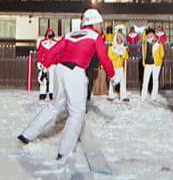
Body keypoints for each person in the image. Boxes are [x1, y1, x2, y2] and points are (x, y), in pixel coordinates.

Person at [18, 8, 115, 160]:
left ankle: (26, 135)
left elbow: (53, 51)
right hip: (75, 72)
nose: (102, 27)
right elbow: (104, 57)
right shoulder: (95, 36)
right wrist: (112, 74)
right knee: (77, 113)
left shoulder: (70, 34)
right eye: (100, 24)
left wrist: (45, 65)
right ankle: (64, 151)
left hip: (60, 70)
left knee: (55, 105)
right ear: (94, 23)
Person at [141, 30, 165, 101]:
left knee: (155, 80)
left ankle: (154, 97)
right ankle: (143, 96)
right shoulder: (144, 43)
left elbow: (162, 54)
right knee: (145, 80)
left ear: (154, 35)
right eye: (148, 35)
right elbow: (143, 53)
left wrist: (159, 59)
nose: (150, 36)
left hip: (156, 64)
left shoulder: (158, 43)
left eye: (151, 34)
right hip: (147, 63)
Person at [107, 25, 129, 102]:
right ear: (115, 39)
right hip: (113, 67)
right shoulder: (111, 47)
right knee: (112, 82)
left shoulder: (123, 47)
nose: (119, 40)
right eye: (118, 38)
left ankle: (123, 96)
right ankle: (111, 95)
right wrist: (118, 54)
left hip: (120, 67)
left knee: (122, 81)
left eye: (120, 38)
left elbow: (126, 56)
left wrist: (123, 54)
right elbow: (110, 57)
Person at [36, 28, 58, 100]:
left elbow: (58, 54)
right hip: (44, 63)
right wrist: (39, 61)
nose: (50, 34)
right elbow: (40, 53)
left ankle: (52, 93)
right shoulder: (42, 42)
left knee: (52, 78)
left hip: (53, 63)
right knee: (43, 78)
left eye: (51, 32)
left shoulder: (56, 43)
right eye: (49, 33)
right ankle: (43, 93)